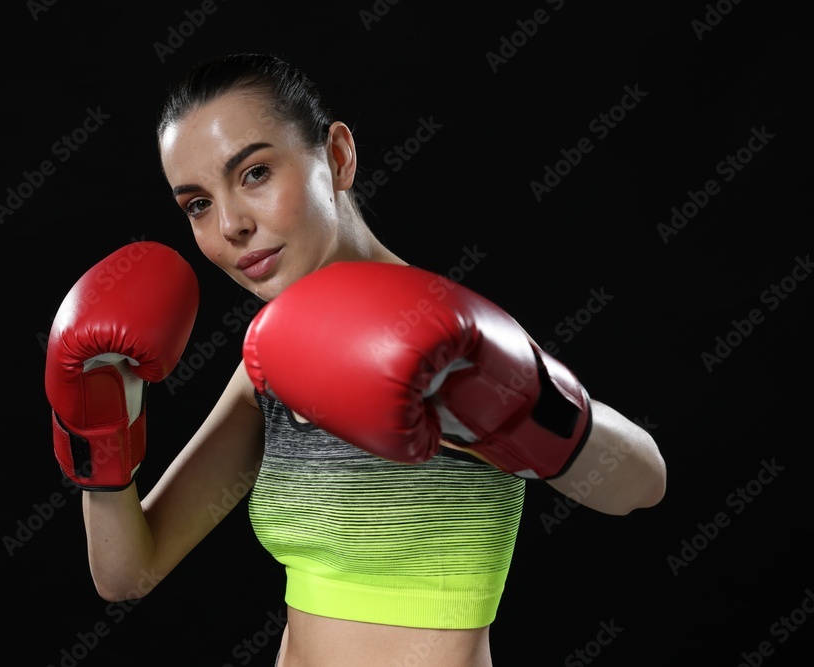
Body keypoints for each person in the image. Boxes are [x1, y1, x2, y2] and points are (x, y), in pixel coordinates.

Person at [44, 53, 667, 666]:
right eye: (197, 204)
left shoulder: (444, 339)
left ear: (337, 157)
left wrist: (506, 402)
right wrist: (100, 421)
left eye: (255, 172)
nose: (230, 224)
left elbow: (643, 483)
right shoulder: (270, 363)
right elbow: (128, 573)